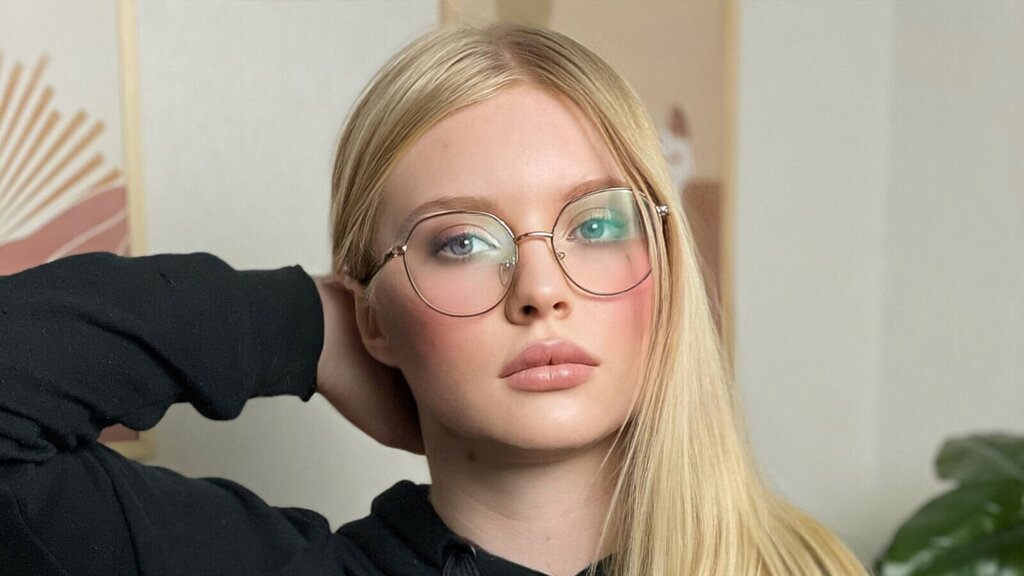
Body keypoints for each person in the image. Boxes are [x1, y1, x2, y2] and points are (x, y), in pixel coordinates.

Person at [0, 23, 866, 576]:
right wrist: (308, 323)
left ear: (664, 263)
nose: (540, 290)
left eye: (596, 225)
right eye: (461, 243)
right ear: (375, 316)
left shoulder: (801, 566)